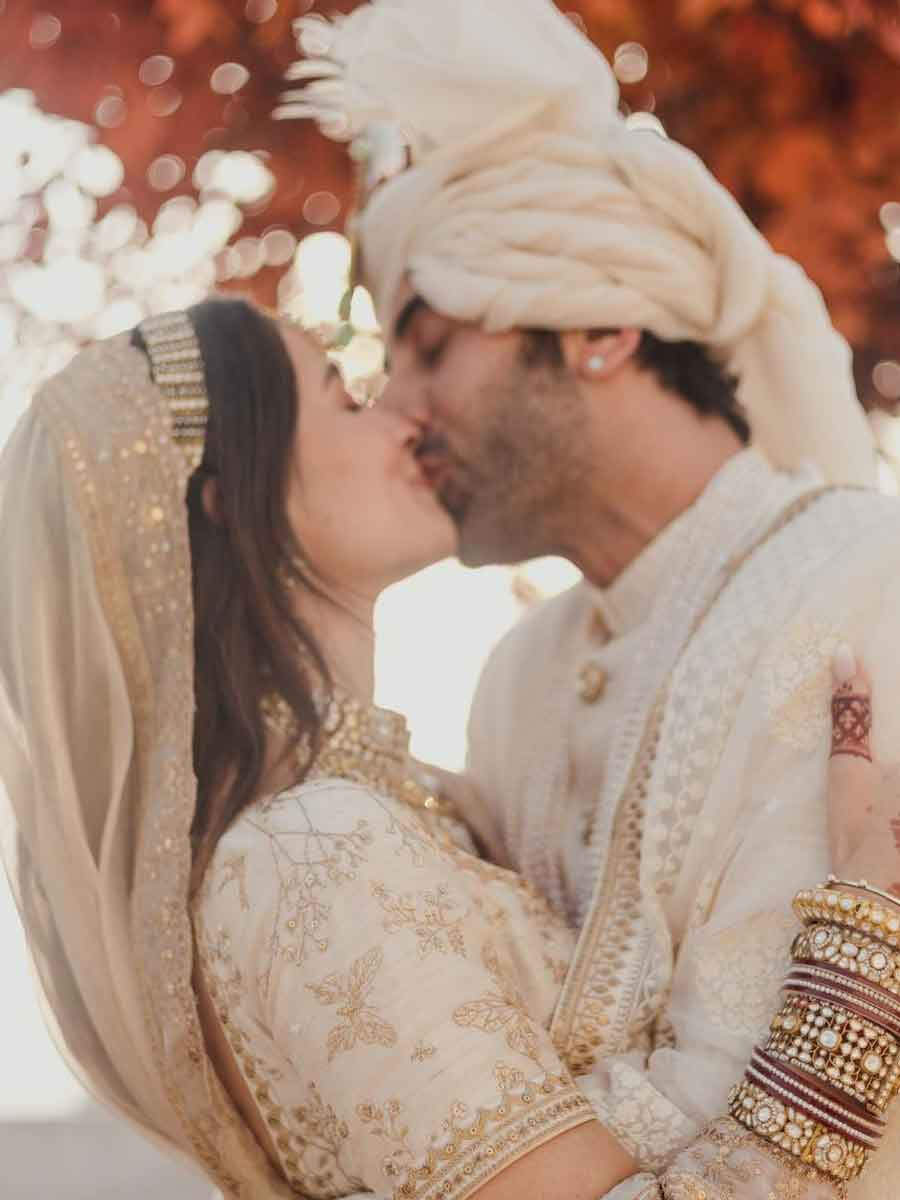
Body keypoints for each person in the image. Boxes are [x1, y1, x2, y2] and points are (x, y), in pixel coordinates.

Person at [0, 298, 888, 1200]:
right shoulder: (305, 855)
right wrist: (862, 954)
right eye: (345, 400)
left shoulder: (416, 806)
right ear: (232, 494)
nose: (405, 416)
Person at [285, 0, 900, 1193]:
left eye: (433, 345)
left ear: (605, 330)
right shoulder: (515, 681)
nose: (401, 407)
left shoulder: (867, 587)